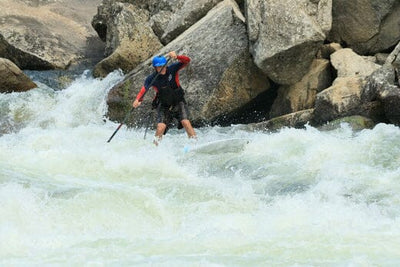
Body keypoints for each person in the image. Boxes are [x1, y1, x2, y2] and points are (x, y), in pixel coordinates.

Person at [132, 51, 196, 145]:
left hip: (178, 101)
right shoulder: (152, 78)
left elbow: (187, 61)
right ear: (155, 67)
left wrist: (177, 56)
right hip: (164, 104)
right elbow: (144, 89)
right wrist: (138, 100)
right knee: (160, 127)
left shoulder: (172, 69)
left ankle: (194, 143)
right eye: (158, 67)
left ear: (166, 65)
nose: (162, 68)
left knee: (185, 122)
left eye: (163, 65)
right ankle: (154, 148)